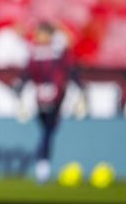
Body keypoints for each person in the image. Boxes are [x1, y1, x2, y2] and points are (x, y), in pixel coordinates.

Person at [14, 22, 82, 184]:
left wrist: (78, 88)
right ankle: (42, 165)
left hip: (57, 96)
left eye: (42, 34)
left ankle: (42, 165)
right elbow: (28, 72)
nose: (40, 37)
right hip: (39, 97)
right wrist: (20, 86)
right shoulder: (35, 52)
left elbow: (70, 70)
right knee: (46, 131)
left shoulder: (59, 52)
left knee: (48, 131)